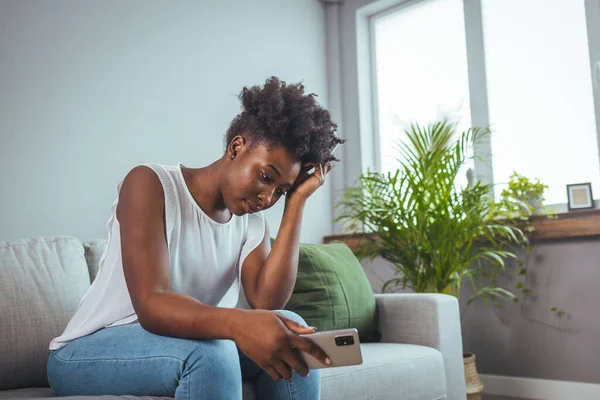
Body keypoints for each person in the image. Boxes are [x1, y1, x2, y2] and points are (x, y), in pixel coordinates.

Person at [46, 76, 344, 400]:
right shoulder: (150, 184)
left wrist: (297, 201)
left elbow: (267, 304)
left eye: (280, 191)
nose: (267, 198)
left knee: (291, 333)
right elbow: (151, 303)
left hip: (179, 345)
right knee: (212, 354)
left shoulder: (252, 223)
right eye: (266, 177)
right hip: (86, 352)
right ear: (236, 147)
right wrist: (236, 324)